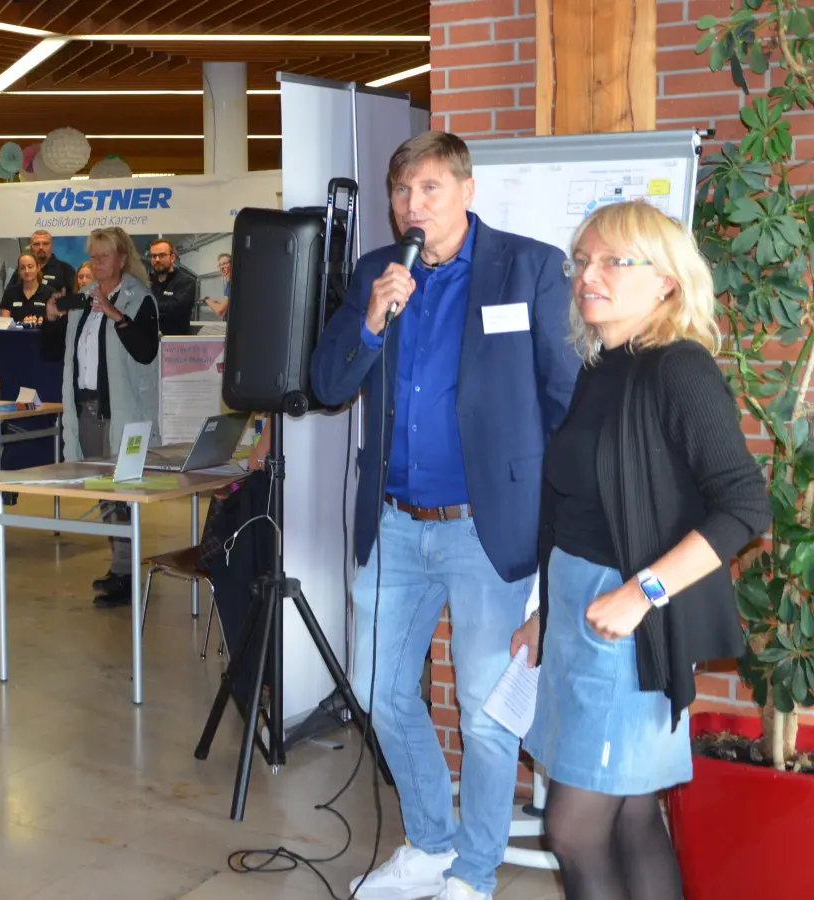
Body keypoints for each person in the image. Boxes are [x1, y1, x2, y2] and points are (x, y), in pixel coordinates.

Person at [308, 131, 580, 900]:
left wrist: (560, 535)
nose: (412, 205)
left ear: (465, 190)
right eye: (402, 191)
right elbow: (328, 383)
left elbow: (566, 408)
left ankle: (474, 872)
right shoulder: (376, 274)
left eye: (429, 188)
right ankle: (429, 840)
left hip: (486, 528)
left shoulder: (527, 270)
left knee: (486, 715)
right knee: (379, 689)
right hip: (393, 522)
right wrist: (369, 320)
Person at [510, 201, 770, 900]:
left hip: (630, 628)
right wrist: (544, 614)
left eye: (613, 261)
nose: (589, 274)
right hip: (577, 613)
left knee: (572, 828)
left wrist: (644, 591)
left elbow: (746, 504)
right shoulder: (602, 366)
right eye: (583, 260)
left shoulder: (677, 369)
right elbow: (571, 509)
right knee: (627, 818)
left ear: (666, 282)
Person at [41, 226, 161, 609]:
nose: (96, 263)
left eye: (104, 256)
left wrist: (116, 315)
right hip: (88, 410)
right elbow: (51, 352)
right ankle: (121, 565)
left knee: (123, 495)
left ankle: (127, 574)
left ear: (122, 258)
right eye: (92, 257)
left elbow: (145, 351)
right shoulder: (84, 299)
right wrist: (51, 318)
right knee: (106, 497)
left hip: (122, 413)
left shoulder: (139, 298)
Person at [147, 238, 199, 335]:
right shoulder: (149, 283)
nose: (157, 259)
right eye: (154, 256)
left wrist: (147, 306)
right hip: (151, 343)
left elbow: (176, 309)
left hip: (177, 344)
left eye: (162, 255)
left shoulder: (186, 282)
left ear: (172, 258)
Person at [0, 253, 52, 323]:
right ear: (19, 271)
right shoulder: (10, 292)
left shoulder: (50, 293)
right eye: (22, 268)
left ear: (38, 268)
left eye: (30, 267)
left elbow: (53, 323)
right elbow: (5, 323)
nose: (27, 271)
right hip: (15, 333)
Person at [29, 229, 76, 298]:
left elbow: (76, 298)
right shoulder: (24, 269)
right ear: (31, 247)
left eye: (45, 244)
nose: (41, 247)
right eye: (36, 244)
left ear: (52, 246)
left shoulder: (66, 269)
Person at [202, 252, 232, 320]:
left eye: (224, 263)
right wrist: (217, 303)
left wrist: (207, 301)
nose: (221, 267)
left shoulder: (231, 285)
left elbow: (220, 311)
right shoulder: (228, 284)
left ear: (232, 264)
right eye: (220, 265)